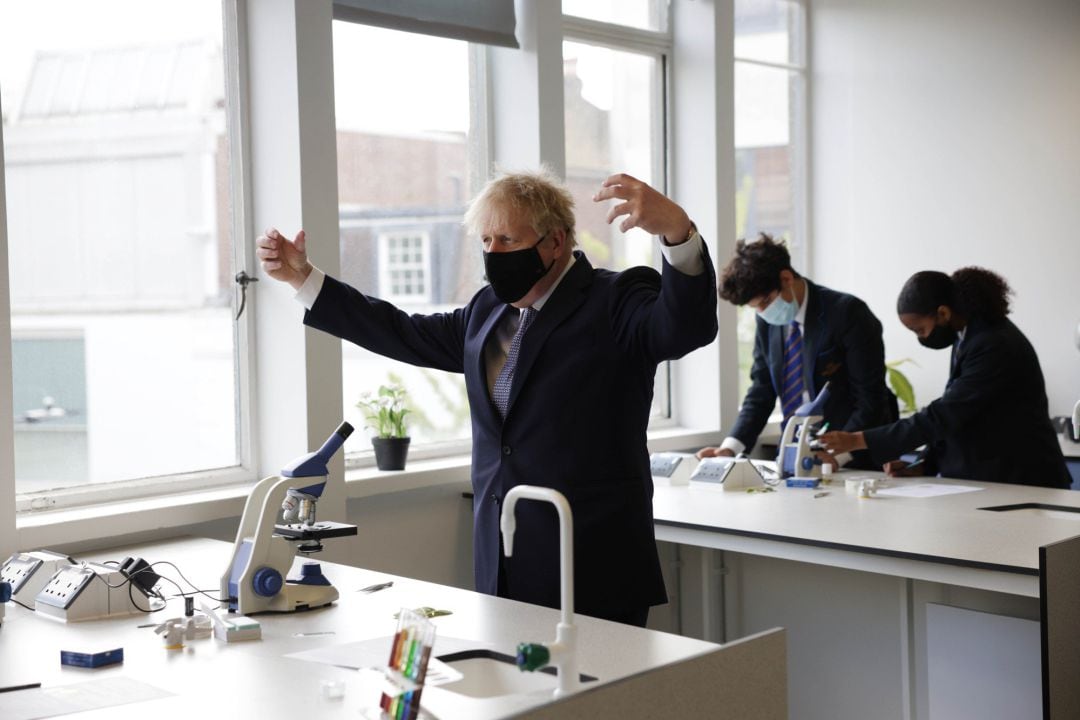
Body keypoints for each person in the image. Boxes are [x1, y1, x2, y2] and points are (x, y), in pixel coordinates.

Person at [256, 170, 718, 626]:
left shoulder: (616, 298)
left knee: (598, 701)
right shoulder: (487, 310)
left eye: (507, 241)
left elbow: (683, 328)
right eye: (486, 242)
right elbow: (402, 331)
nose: (493, 254)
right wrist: (306, 280)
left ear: (555, 242)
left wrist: (678, 234)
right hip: (502, 559)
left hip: (592, 565)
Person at [820, 267, 1070, 488]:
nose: (921, 337)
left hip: (1023, 480)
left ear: (942, 313)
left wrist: (858, 439)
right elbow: (960, 418)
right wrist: (926, 464)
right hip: (994, 478)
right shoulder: (967, 336)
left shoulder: (994, 344)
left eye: (920, 329)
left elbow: (947, 413)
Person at [696, 234, 897, 469]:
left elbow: (870, 400)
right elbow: (761, 390)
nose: (762, 312)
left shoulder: (848, 314)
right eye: (755, 308)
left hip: (853, 460)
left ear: (786, 278)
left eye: (765, 302)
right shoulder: (767, 322)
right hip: (794, 453)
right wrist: (730, 448)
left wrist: (838, 455)